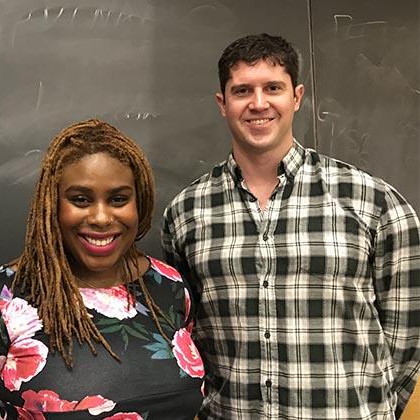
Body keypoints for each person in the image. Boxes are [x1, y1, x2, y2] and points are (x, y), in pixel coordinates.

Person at [162, 33, 420, 419]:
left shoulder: (373, 202)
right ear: (223, 103)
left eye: (273, 88)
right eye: (242, 91)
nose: (259, 103)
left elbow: (407, 340)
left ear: (296, 97)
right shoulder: (186, 213)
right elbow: (189, 332)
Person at [0, 119, 204, 419]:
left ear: (138, 202)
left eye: (118, 199)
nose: (101, 217)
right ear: (52, 204)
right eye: (80, 199)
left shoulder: (168, 285)